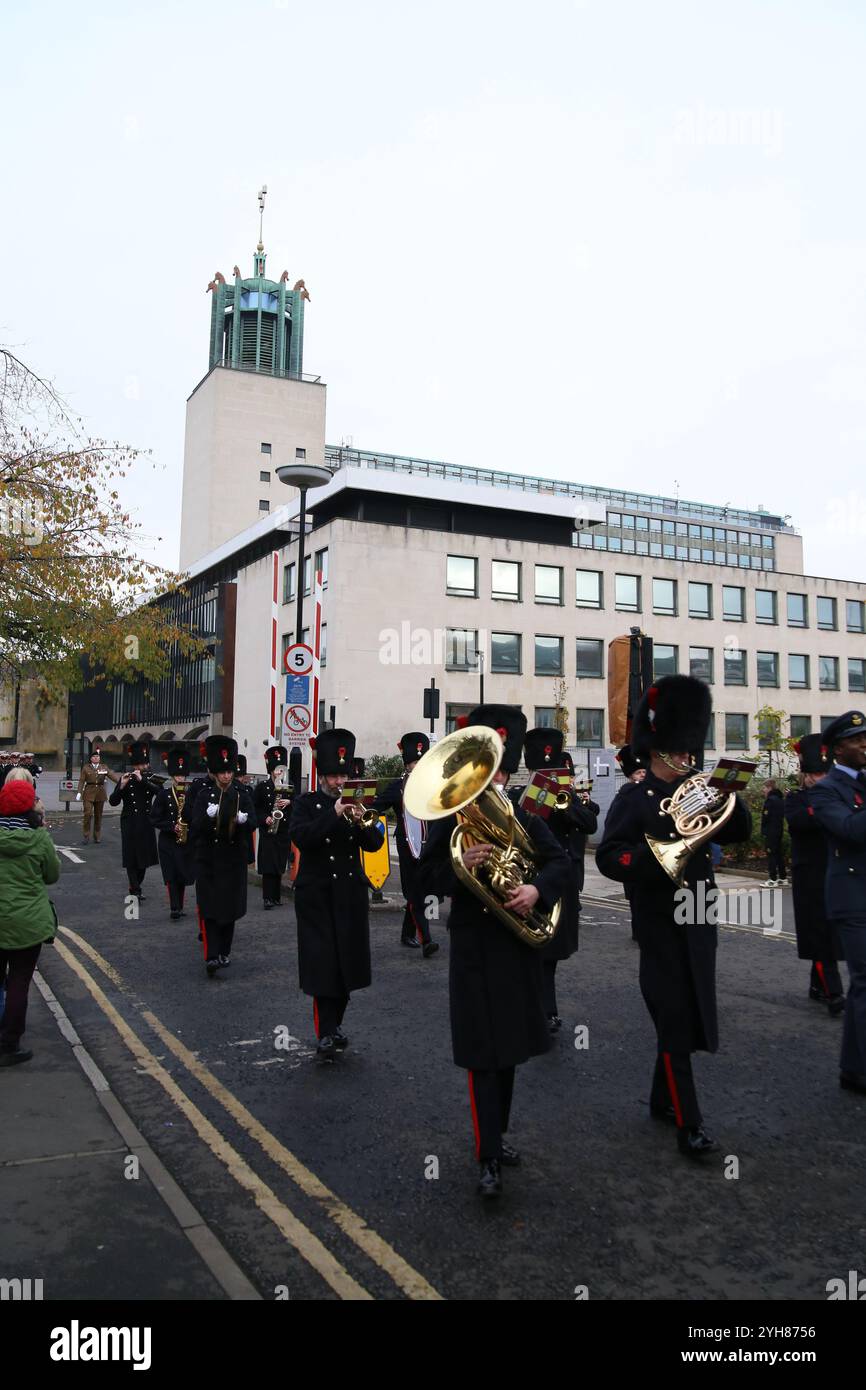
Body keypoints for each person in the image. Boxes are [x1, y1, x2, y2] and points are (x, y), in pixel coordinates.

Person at [596, 676, 751, 1160]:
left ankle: (663, 1102)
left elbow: (741, 830)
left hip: (700, 912)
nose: (688, 758)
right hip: (660, 918)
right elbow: (609, 856)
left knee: (690, 1009)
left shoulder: (700, 789)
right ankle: (690, 1123)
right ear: (659, 748)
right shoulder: (634, 799)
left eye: (690, 749)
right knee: (673, 1015)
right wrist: (653, 863)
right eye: (681, 750)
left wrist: (731, 792)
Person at [417, 705, 568, 1199]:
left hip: (516, 946)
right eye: (488, 770)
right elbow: (425, 877)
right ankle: (487, 1157)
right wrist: (462, 869)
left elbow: (559, 863)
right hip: (475, 948)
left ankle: (496, 1139)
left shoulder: (524, 816)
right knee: (483, 1054)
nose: (494, 780)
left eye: (501, 771)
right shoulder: (453, 820)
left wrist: (536, 892)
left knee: (510, 1053)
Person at [288, 729, 384, 1063]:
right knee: (323, 966)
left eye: (343, 775)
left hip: (349, 894)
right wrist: (334, 813)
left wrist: (362, 822)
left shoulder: (358, 805)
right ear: (322, 775)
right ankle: (326, 1031)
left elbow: (374, 845)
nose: (339, 781)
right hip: (317, 895)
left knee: (347, 965)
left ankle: (336, 1024)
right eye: (333, 775)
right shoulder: (305, 804)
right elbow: (303, 837)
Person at [520, 729, 598, 1032]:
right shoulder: (520, 798)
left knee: (551, 954)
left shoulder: (568, 798)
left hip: (562, 883)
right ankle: (539, 1009)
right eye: (544, 771)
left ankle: (545, 1008)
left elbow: (590, 822)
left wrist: (565, 806)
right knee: (534, 950)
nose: (551, 776)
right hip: (531, 881)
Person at [810, 711, 866, 1094]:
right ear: (837, 750)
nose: (865, 744)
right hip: (853, 897)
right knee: (865, 983)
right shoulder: (826, 789)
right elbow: (849, 830)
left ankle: (852, 1068)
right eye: (857, 740)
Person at [0, 778, 60, 1066]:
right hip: (28, 921)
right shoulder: (39, 838)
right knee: (19, 983)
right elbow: (51, 875)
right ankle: (10, 1043)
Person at [784, 735, 844, 1016]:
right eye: (814, 774)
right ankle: (834, 992)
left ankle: (816, 984)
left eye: (823, 773)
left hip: (836, 871)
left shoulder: (836, 797)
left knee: (831, 931)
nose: (818, 779)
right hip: (809, 875)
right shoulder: (795, 799)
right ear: (804, 775)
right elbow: (800, 822)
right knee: (818, 934)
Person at [189, 736, 256, 976]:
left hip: (233, 860)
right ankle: (211, 955)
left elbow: (253, 822)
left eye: (229, 771)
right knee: (209, 910)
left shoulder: (243, 793)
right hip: (208, 860)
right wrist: (209, 817)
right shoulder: (203, 794)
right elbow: (195, 825)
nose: (226, 776)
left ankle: (224, 951)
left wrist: (243, 821)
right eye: (222, 772)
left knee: (229, 910)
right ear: (214, 773)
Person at [375, 731, 439, 956]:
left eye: (422, 761)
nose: (418, 766)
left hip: (429, 846)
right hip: (407, 846)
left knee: (422, 893)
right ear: (407, 764)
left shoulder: (433, 786)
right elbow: (377, 806)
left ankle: (406, 933)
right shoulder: (397, 787)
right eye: (414, 762)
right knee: (415, 894)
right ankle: (427, 940)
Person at [148, 746, 196, 921]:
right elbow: (154, 818)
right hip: (168, 841)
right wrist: (171, 826)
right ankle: (174, 907)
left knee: (182, 874)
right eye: (177, 776)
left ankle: (180, 906)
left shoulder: (191, 795)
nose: (180, 778)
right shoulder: (164, 795)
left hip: (185, 841)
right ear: (172, 776)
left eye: (182, 776)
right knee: (171, 875)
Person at [108, 742, 159, 901]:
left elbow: (161, 793)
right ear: (135, 765)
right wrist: (121, 786)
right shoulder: (126, 779)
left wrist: (143, 780)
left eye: (145, 763)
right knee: (131, 857)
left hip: (145, 821)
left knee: (143, 859)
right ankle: (135, 888)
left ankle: (136, 884)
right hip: (129, 822)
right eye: (141, 764)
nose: (144, 766)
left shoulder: (151, 779)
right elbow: (113, 802)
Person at [254, 745, 293, 909]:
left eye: (282, 770)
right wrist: (265, 818)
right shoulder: (262, 787)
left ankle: (276, 897)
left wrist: (290, 801)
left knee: (279, 865)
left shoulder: (288, 788)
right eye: (277, 770)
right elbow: (256, 808)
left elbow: (297, 807)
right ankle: (267, 898)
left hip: (283, 832)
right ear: (271, 771)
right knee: (268, 866)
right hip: (269, 831)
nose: (279, 773)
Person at [75, 742, 116, 844]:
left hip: (100, 793)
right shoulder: (86, 767)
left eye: (97, 756)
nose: (96, 758)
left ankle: (97, 836)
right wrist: (79, 792)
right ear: (91, 759)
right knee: (87, 814)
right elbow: (81, 781)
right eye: (94, 757)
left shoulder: (104, 767)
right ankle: (86, 835)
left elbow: (112, 775)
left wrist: (121, 781)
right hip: (88, 792)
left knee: (98, 816)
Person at [760, 780, 788, 887]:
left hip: (771, 831)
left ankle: (772, 879)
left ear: (770, 788)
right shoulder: (780, 799)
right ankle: (783, 877)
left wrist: (764, 830)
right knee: (778, 854)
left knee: (771, 854)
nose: (763, 790)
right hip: (778, 830)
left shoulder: (770, 801)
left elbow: (766, 817)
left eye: (765, 788)